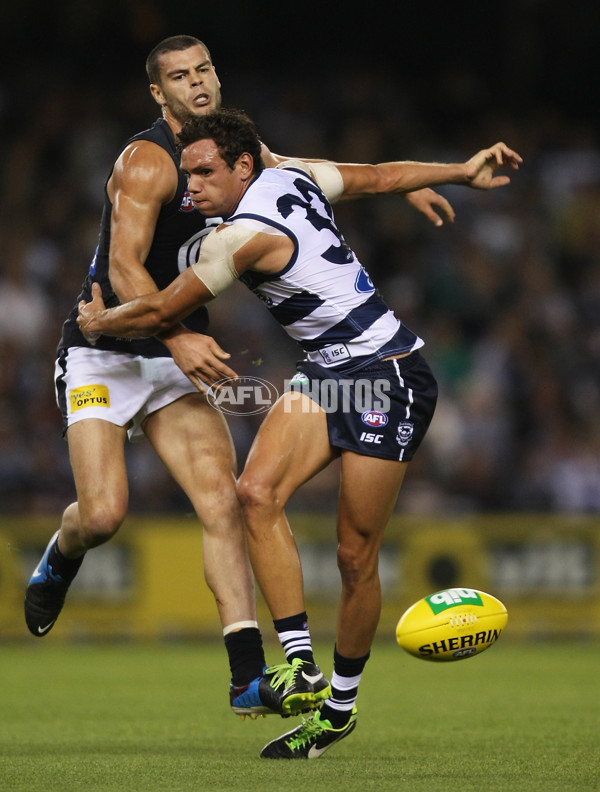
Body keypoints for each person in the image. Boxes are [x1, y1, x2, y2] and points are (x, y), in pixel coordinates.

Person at [24, 35, 455, 721]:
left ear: (216, 79)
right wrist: (176, 333)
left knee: (230, 499)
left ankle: (249, 678)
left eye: (203, 70)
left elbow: (346, 173)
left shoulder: (236, 154)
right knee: (104, 514)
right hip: (105, 345)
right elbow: (126, 271)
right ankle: (61, 552)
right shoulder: (148, 162)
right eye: (178, 77)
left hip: (172, 346)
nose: (195, 83)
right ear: (157, 94)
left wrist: (422, 179)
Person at [77, 109, 522, 758]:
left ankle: (338, 710)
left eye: (204, 173)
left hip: (387, 376)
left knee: (353, 556)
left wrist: (103, 323)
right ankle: (299, 664)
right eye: (185, 173)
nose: (190, 186)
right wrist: (457, 170)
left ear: (243, 167)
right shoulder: (295, 177)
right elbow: (380, 176)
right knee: (254, 493)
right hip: (326, 374)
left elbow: (167, 308)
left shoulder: (245, 236)